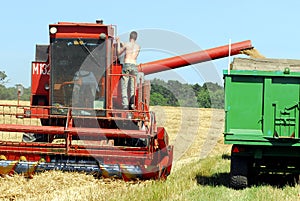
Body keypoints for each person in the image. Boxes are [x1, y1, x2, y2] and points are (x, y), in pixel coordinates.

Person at [116, 31, 141, 110]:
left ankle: (125, 104)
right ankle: (132, 103)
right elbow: (131, 50)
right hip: (134, 65)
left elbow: (118, 52)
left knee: (124, 86)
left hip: (126, 65)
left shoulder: (127, 44)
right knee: (133, 86)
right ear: (136, 38)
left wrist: (118, 43)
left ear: (129, 37)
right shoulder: (138, 46)